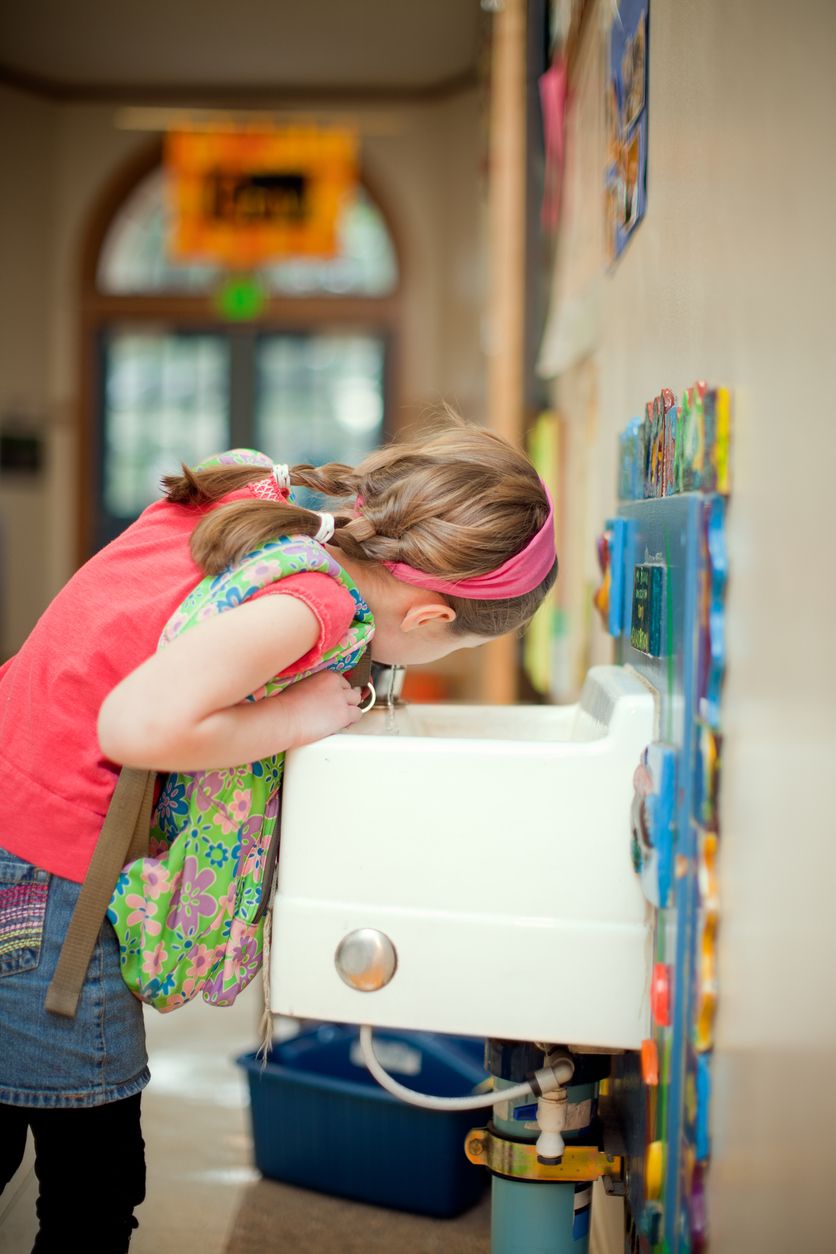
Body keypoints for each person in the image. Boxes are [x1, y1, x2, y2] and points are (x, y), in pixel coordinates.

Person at [0, 415, 557, 1251]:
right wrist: (300, 711)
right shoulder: (316, 600)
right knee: (93, 1178)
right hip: (44, 871)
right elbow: (135, 725)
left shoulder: (263, 493)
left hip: (16, 807)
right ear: (434, 618)